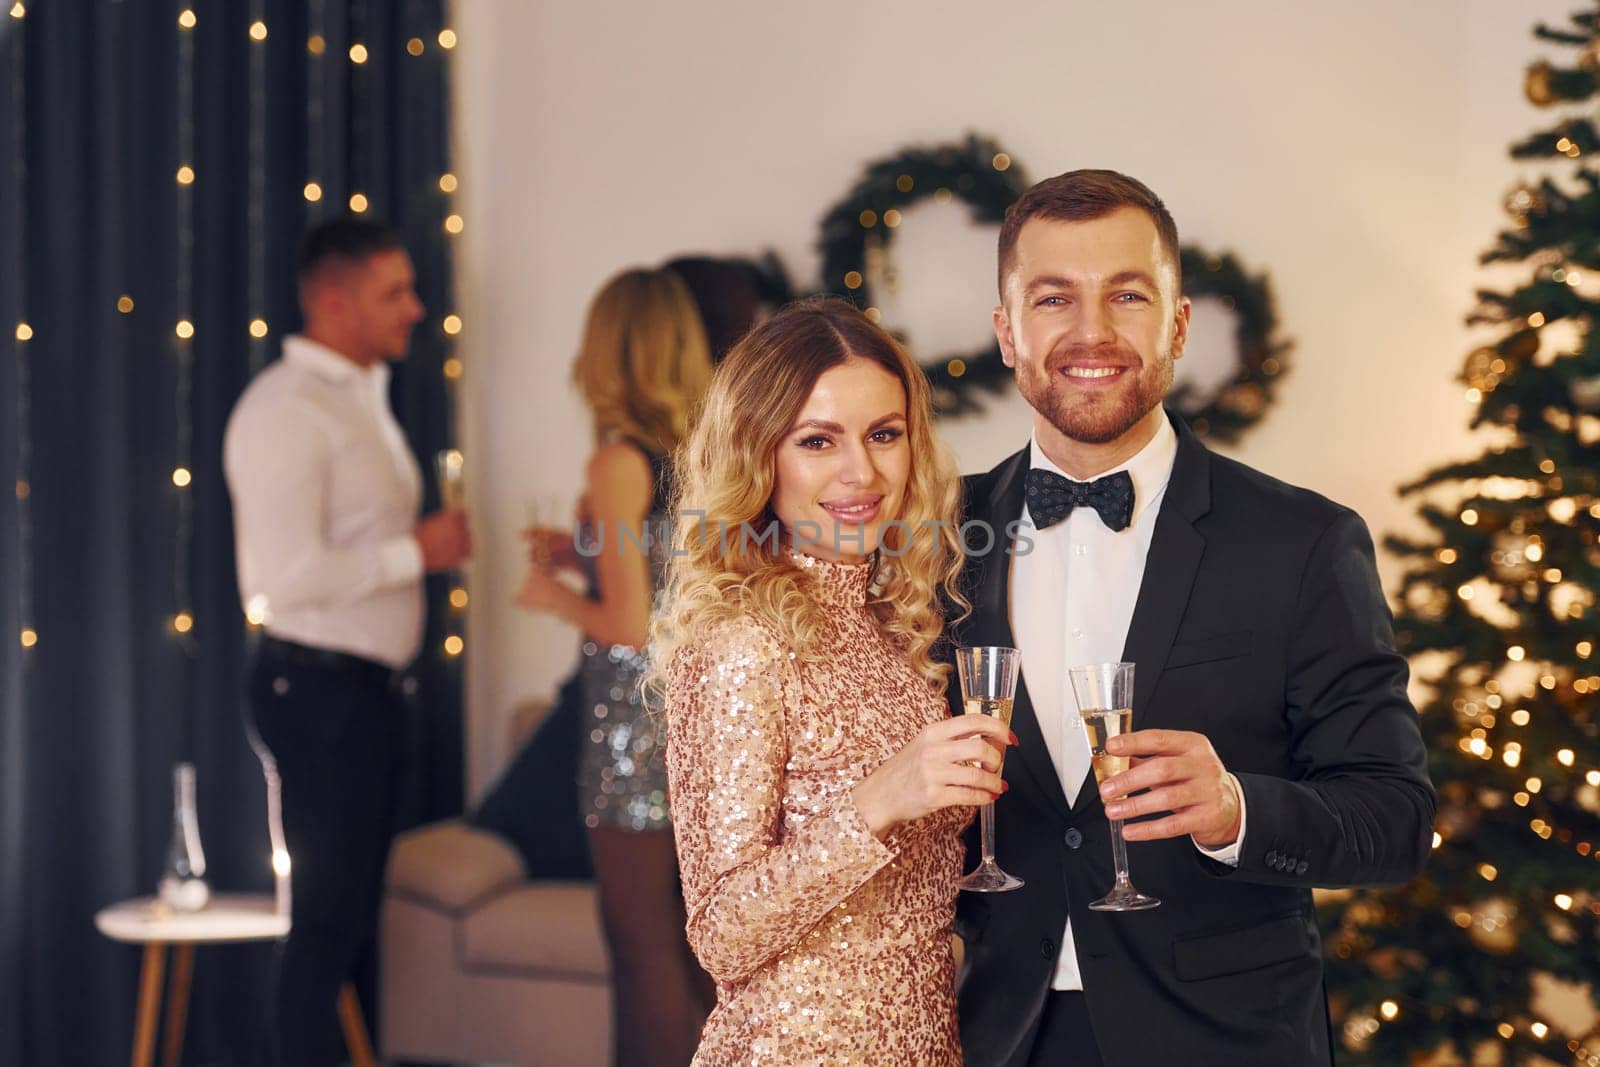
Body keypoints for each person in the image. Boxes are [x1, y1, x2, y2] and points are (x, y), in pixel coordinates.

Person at [950, 169, 1436, 1066]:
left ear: (1177, 324)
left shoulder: (1304, 542)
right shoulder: (937, 537)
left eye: (1126, 295)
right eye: (1053, 297)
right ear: (1007, 333)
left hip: (1223, 1039)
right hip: (991, 1032)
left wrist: (1235, 809)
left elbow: (1396, 816)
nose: (1090, 332)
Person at [649, 297, 1012, 1065]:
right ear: (760, 455)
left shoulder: (895, 623)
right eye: (818, 440)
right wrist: (880, 799)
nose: (862, 471)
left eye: (884, 434)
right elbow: (721, 933)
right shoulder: (740, 641)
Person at [223, 217, 471, 1065]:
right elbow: (283, 579)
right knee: (324, 927)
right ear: (333, 301)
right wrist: (418, 551)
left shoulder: (359, 397)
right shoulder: (285, 411)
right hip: (316, 691)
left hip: (359, 694)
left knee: (344, 925)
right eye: (393, 291)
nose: (416, 307)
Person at [516, 267, 715, 1066]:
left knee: (641, 953)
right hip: (696, 724)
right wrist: (582, 553)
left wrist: (553, 596)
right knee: (690, 951)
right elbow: (670, 578)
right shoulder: (700, 454)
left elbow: (631, 628)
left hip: (633, 736)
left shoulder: (616, 464)